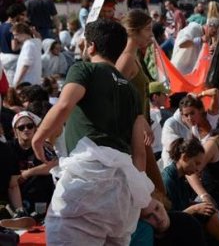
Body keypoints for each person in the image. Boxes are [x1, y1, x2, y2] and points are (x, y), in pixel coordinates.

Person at [31, 19, 154, 244]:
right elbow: (140, 152)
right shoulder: (131, 90)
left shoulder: (83, 69)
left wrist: (38, 138)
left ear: (91, 46)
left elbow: (64, 105)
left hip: (85, 180)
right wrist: (136, 190)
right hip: (122, 189)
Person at [161, 137, 219, 246]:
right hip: (172, 230)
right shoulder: (168, 180)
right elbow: (169, 217)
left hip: (182, 221)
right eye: (196, 163)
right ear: (184, 158)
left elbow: (183, 203)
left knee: (208, 211)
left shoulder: (180, 177)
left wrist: (201, 205)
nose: (198, 169)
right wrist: (195, 208)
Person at [9, 111, 56, 212]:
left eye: (30, 126)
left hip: (42, 198)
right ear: (15, 131)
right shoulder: (8, 148)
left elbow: (54, 165)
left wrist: (28, 173)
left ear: (35, 128)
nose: (26, 130)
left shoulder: (43, 145)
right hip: (16, 198)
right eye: (21, 127)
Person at [148, 82, 171, 160]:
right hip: (158, 155)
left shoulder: (146, 114)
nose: (166, 97)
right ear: (155, 97)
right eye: (164, 94)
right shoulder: (155, 113)